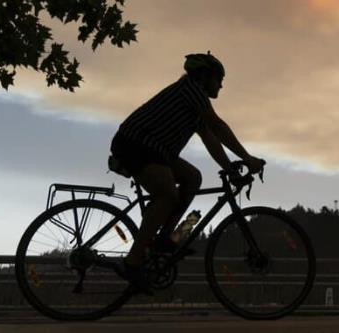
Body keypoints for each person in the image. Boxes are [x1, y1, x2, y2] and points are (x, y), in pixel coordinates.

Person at [108, 52, 265, 293]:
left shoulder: (194, 101)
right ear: (204, 77)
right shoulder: (192, 91)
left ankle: (165, 238)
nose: (221, 85)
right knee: (167, 195)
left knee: (193, 177)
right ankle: (133, 261)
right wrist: (247, 158)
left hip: (155, 150)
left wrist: (229, 167)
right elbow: (218, 126)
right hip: (136, 145)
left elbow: (211, 139)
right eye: (219, 79)